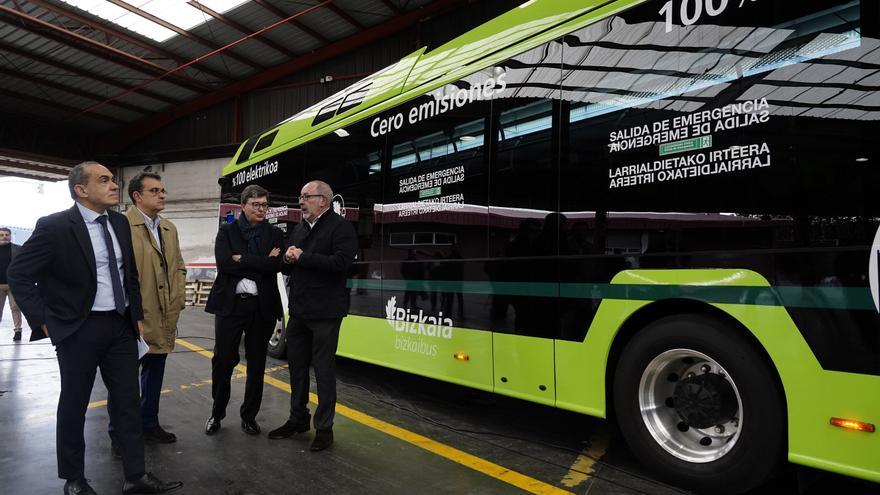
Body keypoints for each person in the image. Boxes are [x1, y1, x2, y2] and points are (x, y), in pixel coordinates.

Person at [7, 162, 182, 494]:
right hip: (78, 329)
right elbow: (19, 273)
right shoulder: (55, 226)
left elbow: (128, 273)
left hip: (119, 327)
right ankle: (74, 480)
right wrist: (44, 320)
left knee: (128, 401)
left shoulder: (118, 222)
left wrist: (137, 316)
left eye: (112, 180)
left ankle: (136, 476)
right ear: (81, 190)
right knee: (74, 403)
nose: (113, 185)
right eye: (104, 180)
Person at [268, 180, 357, 452]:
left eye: (306, 196)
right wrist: (287, 259)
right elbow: (288, 264)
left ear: (323, 200)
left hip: (325, 313)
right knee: (296, 368)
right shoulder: (299, 228)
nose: (301, 201)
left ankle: (324, 429)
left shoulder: (341, 228)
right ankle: (298, 419)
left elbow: (342, 264)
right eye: (301, 196)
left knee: (323, 370)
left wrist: (303, 257)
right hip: (299, 311)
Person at [204, 184, 284, 436]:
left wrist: (244, 259)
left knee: (258, 363)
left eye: (264, 205)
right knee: (223, 360)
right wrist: (263, 262)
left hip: (262, 308)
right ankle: (216, 413)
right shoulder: (227, 231)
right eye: (256, 204)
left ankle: (249, 416)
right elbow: (225, 264)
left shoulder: (274, 233)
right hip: (231, 305)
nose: (261, 209)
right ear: (243, 205)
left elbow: (277, 265)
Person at [114, 173, 186, 448]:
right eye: (154, 190)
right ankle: (119, 434)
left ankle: (149, 423)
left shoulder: (168, 227)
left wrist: (177, 298)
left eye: (163, 190)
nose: (162, 195)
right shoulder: (121, 225)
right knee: (123, 381)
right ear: (137, 196)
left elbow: (178, 265)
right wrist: (130, 313)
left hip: (164, 314)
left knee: (155, 373)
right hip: (133, 317)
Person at [0, 226, 23, 341]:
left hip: (13, 284)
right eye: (1, 235)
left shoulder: (18, 249)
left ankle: (18, 330)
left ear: (10, 236)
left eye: (6, 234)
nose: (4, 236)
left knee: (15, 307)